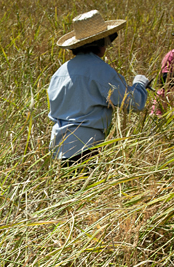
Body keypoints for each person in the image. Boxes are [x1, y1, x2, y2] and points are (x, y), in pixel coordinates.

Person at [48, 10, 149, 165]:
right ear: (101, 42)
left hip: (58, 148)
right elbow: (132, 102)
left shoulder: (60, 72)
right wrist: (140, 84)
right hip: (86, 148)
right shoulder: (100, 69)